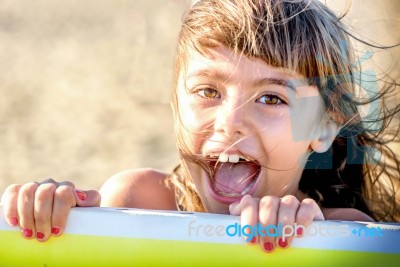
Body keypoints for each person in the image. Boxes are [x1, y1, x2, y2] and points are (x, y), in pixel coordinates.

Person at [1, 0, 399, 253]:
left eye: (271, 98)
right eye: (208, 91)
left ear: (325, 129)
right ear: (175, 105)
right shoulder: (137, 200)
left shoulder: (341, 233)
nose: (230, 123)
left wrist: (306, 242)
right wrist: (44, 214)